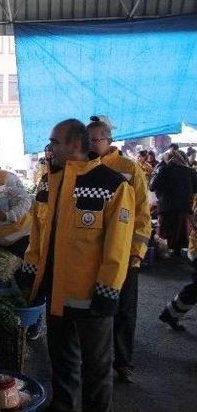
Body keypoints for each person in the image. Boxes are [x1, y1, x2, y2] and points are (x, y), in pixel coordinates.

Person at [20, 119, 135, 412]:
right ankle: (63, 406)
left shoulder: (113, 184)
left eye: (54, 142)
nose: (50, 147)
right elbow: (38, 233)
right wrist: (30, 276)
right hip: (56, 294)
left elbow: (118, 247)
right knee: (61, 362)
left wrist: (107, 294)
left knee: (96, 369)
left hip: (91, 299)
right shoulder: (50, 181)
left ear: (75, 145)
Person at [87, 117, 152, 384]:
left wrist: (137, 250)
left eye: (95, 139)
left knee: (124, 310)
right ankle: (92, 360)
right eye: (87, 139)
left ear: (109, 141)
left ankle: (123, 362)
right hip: (90, 255)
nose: (90, 144)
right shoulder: (82, 167)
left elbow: (142, 214)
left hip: (124, 255)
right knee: (93, 307)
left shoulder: (129, 169)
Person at [149, 149, 197, 256]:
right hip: (184, 208)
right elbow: (195, 189)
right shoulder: (191, 171)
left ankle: (165, 255)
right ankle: (177, 254)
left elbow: (152, 187)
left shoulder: (164, 169)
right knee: (180, 238)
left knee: (166, 239)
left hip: (166, 208)